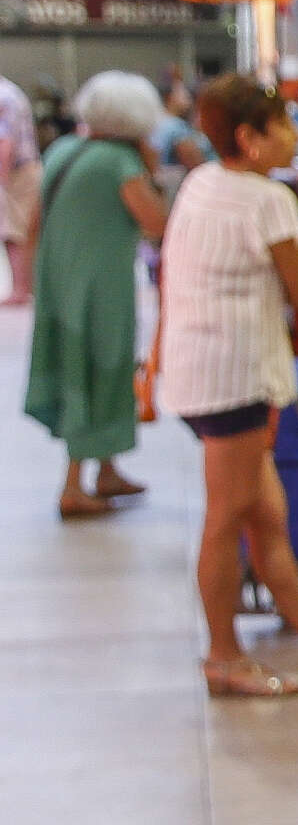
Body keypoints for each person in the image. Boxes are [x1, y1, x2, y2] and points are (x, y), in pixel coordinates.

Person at [160, 74, 298, 698]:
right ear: (250, 138)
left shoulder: (202, 183)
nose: (291, 135)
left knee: (267, 513)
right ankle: (224, 658)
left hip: (200, 368)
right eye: (280, 125)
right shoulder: (267, 200)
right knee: (228, 518)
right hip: (234, 378)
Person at [22, 70, 165, 514]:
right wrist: (152, 170)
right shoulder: (120, 163)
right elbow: (156, 223)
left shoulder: (64, 149)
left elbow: (34, 222)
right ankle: (72, 486)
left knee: (82, 368)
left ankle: (106, 469)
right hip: (100, 287)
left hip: (60, 280)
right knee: (100, 368)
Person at [0, 72, 36, 305]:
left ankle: (20, 290)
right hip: (18, 171)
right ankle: (21, 287)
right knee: (15, 230)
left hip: (16, 173)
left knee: (15, 232)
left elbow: (6, 143)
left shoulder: (4, 97)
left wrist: (1, 179)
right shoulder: (8, 92)